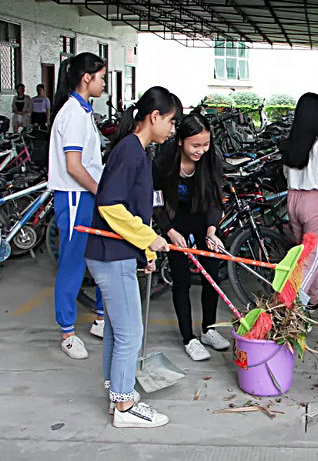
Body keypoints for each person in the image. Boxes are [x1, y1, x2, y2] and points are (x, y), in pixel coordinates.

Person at [85, 86, 178, 428]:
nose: (172, 130)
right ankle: (124, 406)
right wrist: (149, 238)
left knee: (117, 329)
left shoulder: (138, 152)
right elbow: (110, 205)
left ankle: (117, 393)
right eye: (171, 121)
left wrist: (145, 250)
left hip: (118, 254)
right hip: (111, 256)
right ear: (154, 117)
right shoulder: (130, 152)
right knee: (130, 333)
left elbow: (135, 210)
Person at [153, 111, 230, 362]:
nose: (201, 150)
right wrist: (169, 230)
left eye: (205, 144)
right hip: (174, 221)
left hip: (202, 220)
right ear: (180, 141)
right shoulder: (164, 161)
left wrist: (212, 231)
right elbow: (156, 201)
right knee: (181, 280)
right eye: (195, 145)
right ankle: (189, 338)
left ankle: (208, 329)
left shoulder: (210, 160)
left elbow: (215, 200)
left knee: (212, 275)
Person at [48, 53, 107, 359]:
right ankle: (68, 332)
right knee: (72, 263)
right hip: (75, 196)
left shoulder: (84, 111)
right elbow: (73, 166)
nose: (104, 83)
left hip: (87, 195)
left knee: (100, 256)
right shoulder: (71, 113)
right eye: (102, 77)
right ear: (87, 77)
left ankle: (100, 320)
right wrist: (100, 191)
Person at [281, 93, 318, 317]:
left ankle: (312, 302)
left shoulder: (290, 144)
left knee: (305, 255)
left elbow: (285, 173)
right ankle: (287, 307)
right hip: (313, 203)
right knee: (312, 258)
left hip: (293, 200)